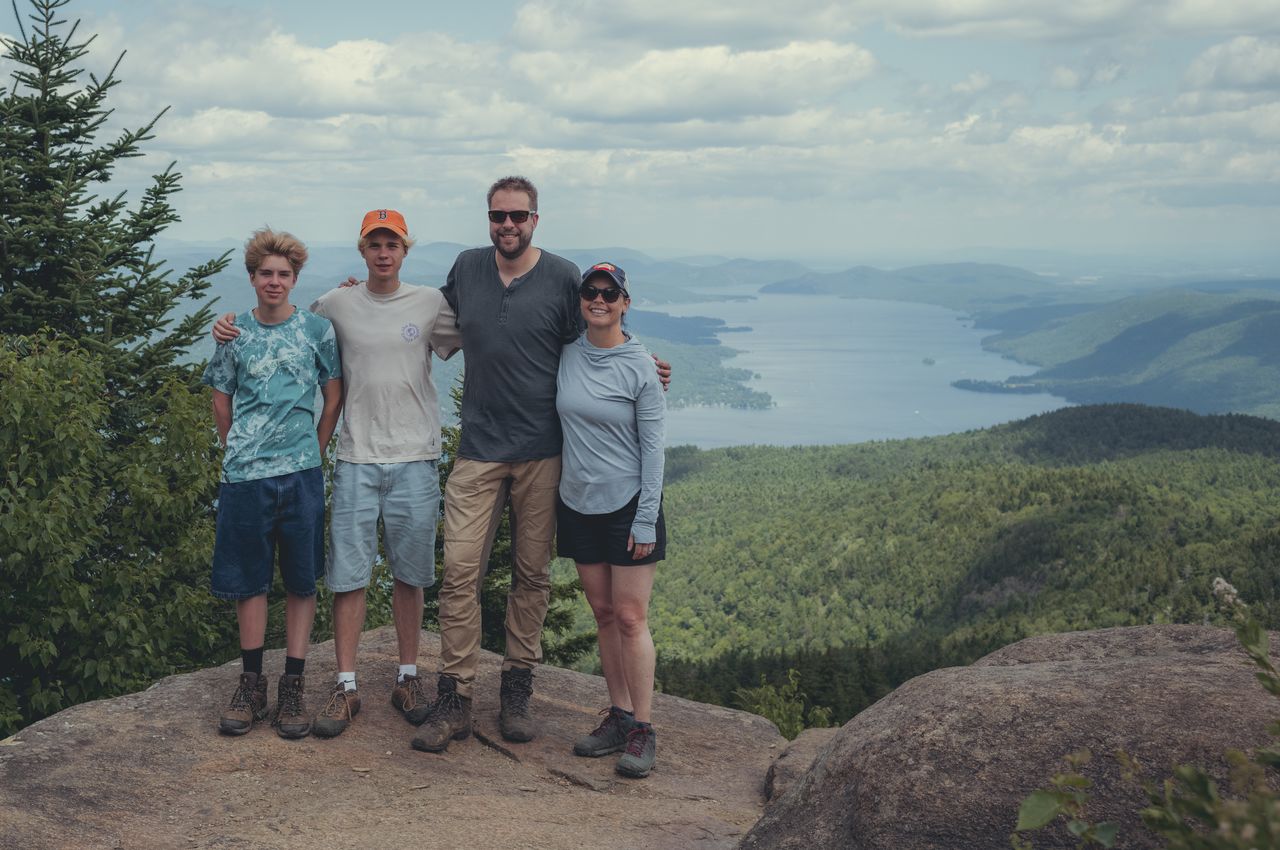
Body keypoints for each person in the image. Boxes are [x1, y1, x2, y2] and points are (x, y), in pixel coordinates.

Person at [411, 177, 672, 753]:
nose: (507, 225)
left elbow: (600, 336)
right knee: (459, 572)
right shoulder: (467, 268)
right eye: (498, 216)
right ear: (488, 218)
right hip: (478, 448)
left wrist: (644, 364)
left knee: (531, 577)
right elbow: (425, 317)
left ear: (536, 219)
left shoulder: (560, 276)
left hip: (542, 452)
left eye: (518, 216)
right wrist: (362, 294)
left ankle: (516, 691)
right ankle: (455, 698)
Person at [211, 210, 460, 738]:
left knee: (410, 573)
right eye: (375, 243)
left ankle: (407, 676)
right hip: (353, 458)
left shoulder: (430, 304)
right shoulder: (335, 306)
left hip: (415, 455)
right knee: (347, 576)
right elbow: (275, 334)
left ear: (405, 249)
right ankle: (345, 684)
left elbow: (480, 342)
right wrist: (223, 327)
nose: (384, 252)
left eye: (392, 243)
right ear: (362, 249)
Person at [203, 228, 343, 739]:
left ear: (296, 279)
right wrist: (237, 447)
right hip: (246, 477)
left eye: (284, 274)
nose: (275, 281)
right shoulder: (233, 331)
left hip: (301, 472)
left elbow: (333, 395)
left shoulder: (316, 331)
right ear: (252, 277)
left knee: (302, 580)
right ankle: (251, 684)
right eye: (266, 273)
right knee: (250, 581)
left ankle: (293, 686)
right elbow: (221, 396)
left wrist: (317, 449)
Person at [556, 262, 666, 778]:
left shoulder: (641, 366)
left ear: (625, 302)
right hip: (577, 501)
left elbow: (654, 449)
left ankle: (643, 727)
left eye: (609, 293)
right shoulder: (566, 355)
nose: (598, 300)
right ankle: (619, 714)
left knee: (630, 617)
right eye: (590, 292)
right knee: (601, 612)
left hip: (628, 504)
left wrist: (646, 520)